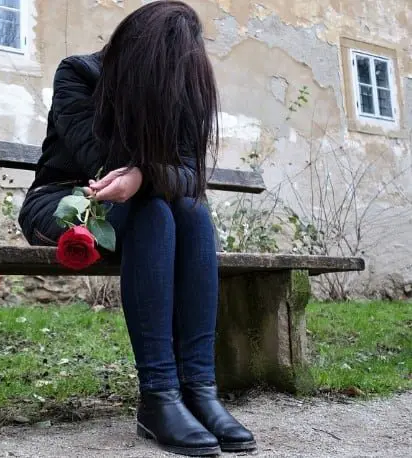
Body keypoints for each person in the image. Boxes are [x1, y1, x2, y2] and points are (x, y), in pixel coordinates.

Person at [18, 1, 256, 456]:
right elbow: (99, 164)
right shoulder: (79, 74)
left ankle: (200, 389)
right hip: (68, 200)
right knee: (156, 211)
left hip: (145, 202)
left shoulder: (179, 92)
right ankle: (159, 394)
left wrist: (147, 175)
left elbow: (190, 176)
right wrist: (149, 170)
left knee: (190, 210)